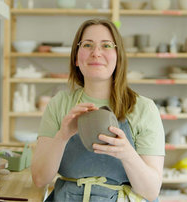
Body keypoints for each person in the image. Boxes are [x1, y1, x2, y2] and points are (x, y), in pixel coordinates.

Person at [30, 19, 165, 201]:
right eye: (87, 45)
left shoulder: (143, 109)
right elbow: (39, 179)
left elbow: (151, 191)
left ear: (118, 56)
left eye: (106, 45)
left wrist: (127, 154)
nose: (96, 53)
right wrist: (62, 136)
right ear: (76, 58)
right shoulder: (59, 104)